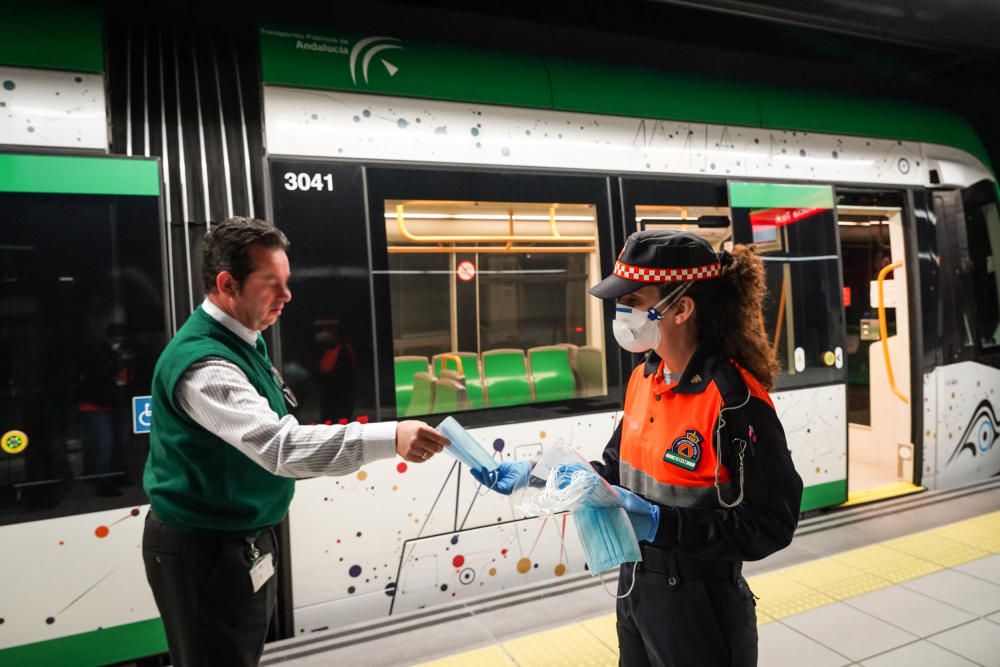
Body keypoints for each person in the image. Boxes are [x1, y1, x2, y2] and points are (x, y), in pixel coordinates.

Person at [475, 231, 803, 666]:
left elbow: (771, 524)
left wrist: (659, 523)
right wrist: (541, 475)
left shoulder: (734, 401)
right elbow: (615, 469)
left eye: (633, 301)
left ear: (681, 308)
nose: (621, 313)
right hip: (635, 588)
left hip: (701, 603)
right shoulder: (645, 379)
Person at [142, 217, 449, 666]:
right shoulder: (205, 365)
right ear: (228, 284)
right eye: (273, 284)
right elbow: (279, 448)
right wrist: (391, 436)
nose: (287, 296)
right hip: (205, 553)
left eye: (287, 282)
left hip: (238, 540)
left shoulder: (245, 339)